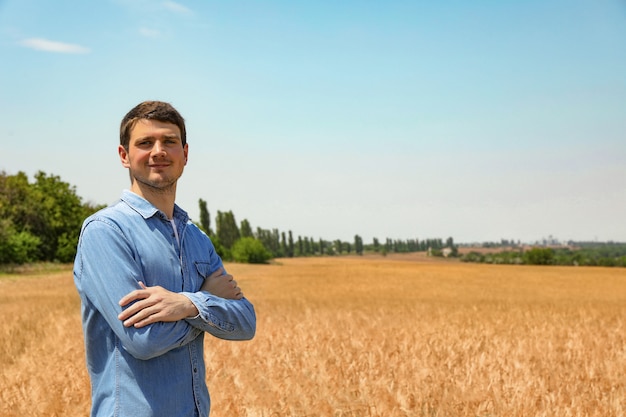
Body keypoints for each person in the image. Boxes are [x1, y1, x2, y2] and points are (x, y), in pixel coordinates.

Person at [73, 100, 256, 417]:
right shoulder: (105, 231)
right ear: (124, 156)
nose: (158, 151)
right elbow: (144, 339)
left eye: (169, 142)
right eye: (145, 143)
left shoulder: (196, 238)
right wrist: (208, 302)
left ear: (185, 153)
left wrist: (186, 304)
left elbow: (246, 322)